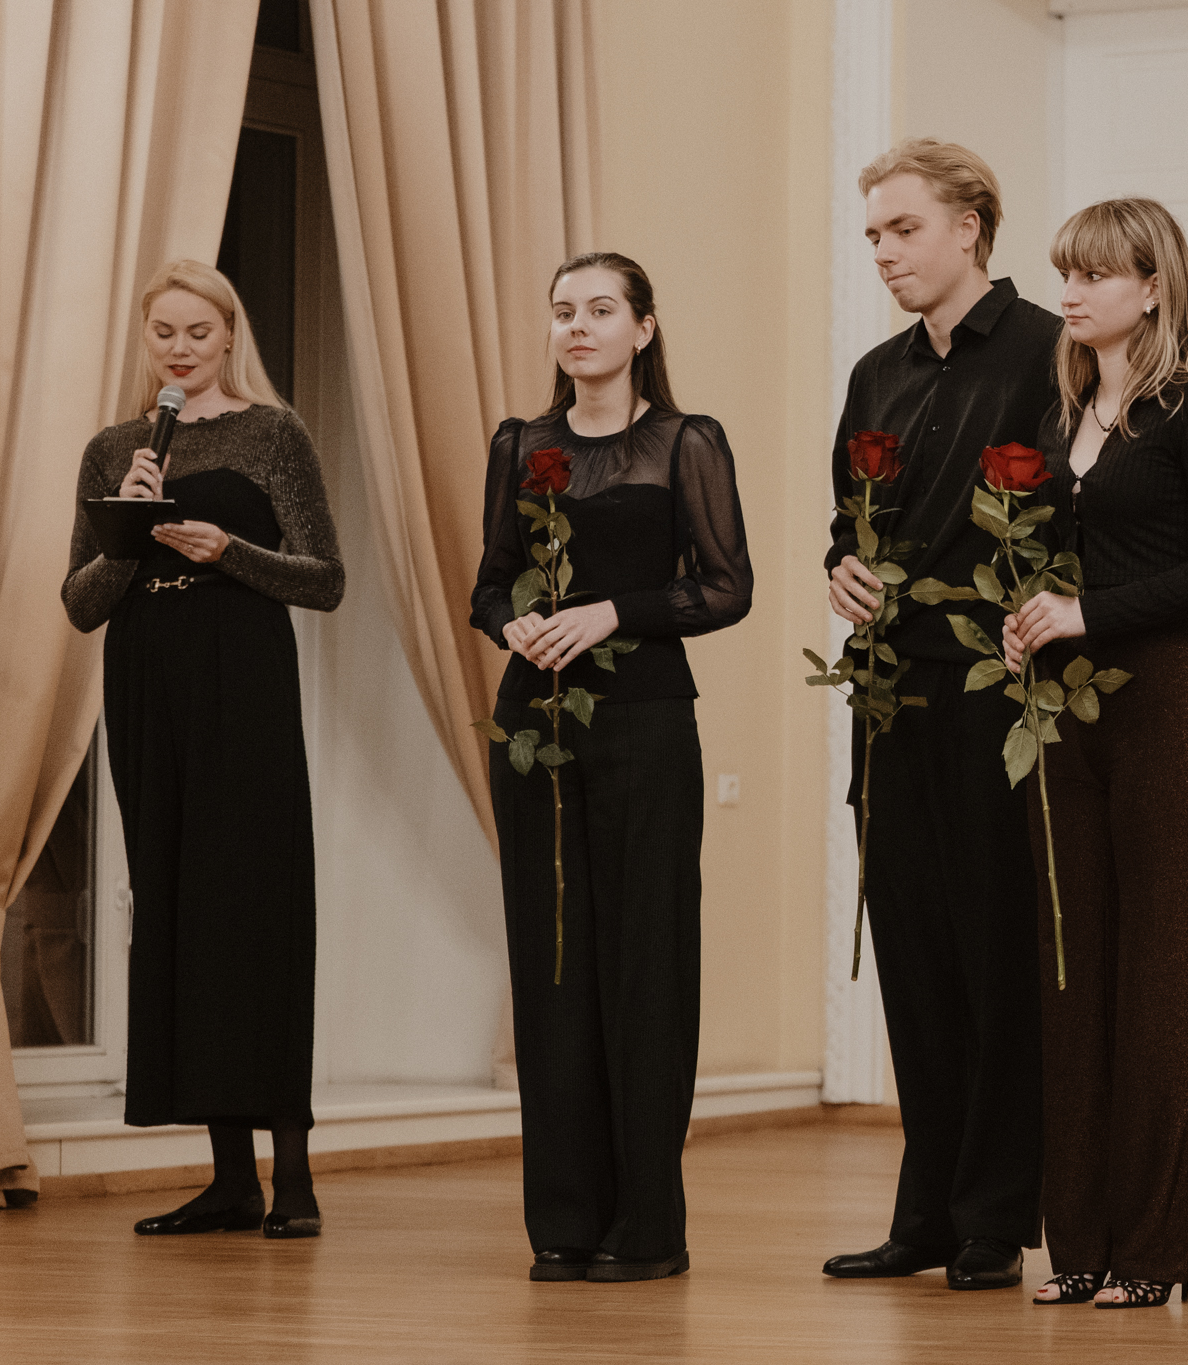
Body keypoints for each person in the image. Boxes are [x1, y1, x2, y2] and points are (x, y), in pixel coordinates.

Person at [472, 252, 751, 1284]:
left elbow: (725, 587)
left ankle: (647, 1227)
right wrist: (512, 626)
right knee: (551, 963)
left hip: (644, 723)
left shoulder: (686, 441)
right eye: (563, 311)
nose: (578, 327)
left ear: (643, 328)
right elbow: (489, 583)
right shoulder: (519, 444)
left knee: (645, 965)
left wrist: (609, 614)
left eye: (599, 310)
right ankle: (563, 1222)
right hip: (533, 726)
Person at [1000, 198, 1188, 1309]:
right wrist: (1024, 619)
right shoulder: (1055, 414)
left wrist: (1087, 613)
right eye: (1065, 271)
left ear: (1152, 287)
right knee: (1072, 966)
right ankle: (1081, 1242)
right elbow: (1044, 562)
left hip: (1166, 708)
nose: (1071, 291)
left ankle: (1156, 1248)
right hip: (1061, 715)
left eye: (1096, 274)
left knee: (1160, 970)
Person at [61, 259, 344, 1239]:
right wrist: (128, 530)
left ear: (229, 334)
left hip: (243, 678)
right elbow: (81, 604)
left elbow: (325, 579)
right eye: (163, 332)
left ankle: (293, 1176)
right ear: (146, 341)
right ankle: (230, 1181)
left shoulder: (273, 433)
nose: (179, 348)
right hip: (150, 682)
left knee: (257, 910)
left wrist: (231, 551)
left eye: (197, 331)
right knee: (179, 907)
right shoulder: (114, 449)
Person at [821, 139, 1059, 1292]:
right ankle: (925, 1210)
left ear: (969, 227)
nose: (881, 252)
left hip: (992, 687)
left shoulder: (1049, 351)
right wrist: (839, 567)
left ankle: (995, 1213)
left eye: (902, 229)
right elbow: (847, 517)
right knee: (911, 950)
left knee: (995, 952)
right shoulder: (876, 373)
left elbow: (1073, 511)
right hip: (889, 690)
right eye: (872, 233)